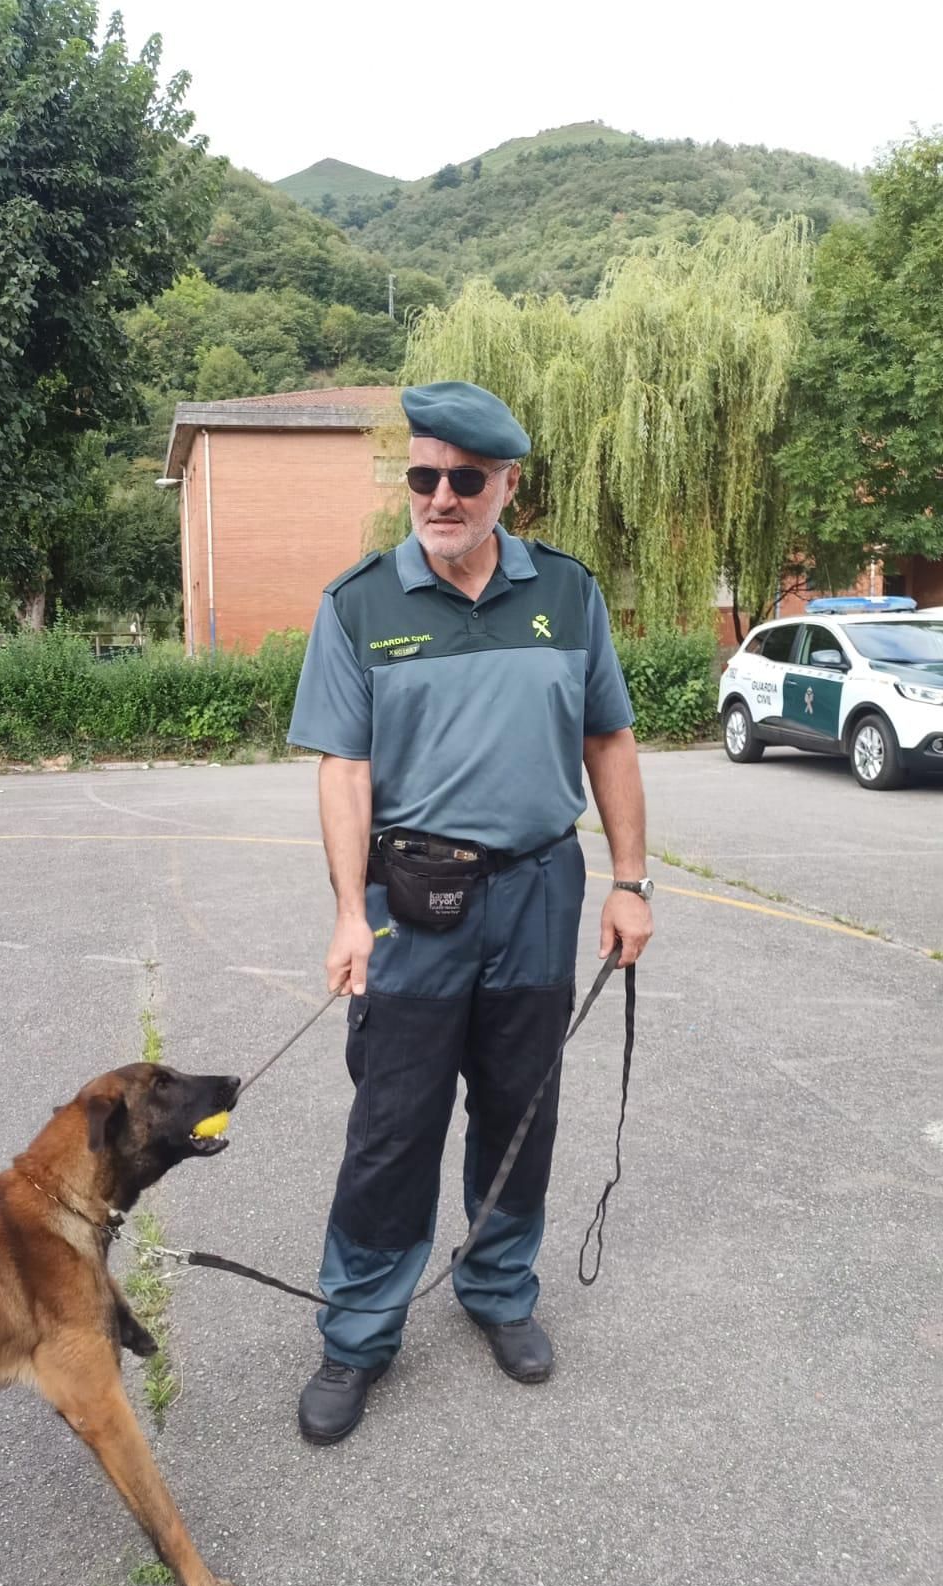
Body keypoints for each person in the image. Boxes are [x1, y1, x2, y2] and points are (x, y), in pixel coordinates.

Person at [286, 379, 653, 1446]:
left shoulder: (569, 597)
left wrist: (630, 882)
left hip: (541, 890)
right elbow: (342, 771)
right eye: (423, 477)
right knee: (393, 1126)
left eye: (464, 480)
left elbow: (610, 745)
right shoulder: (360, 602)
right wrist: (349, 913)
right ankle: (358, 1330)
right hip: (412, 899)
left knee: (519, 1106)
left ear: (507, 488)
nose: (440, 498)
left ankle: (499, 1289)